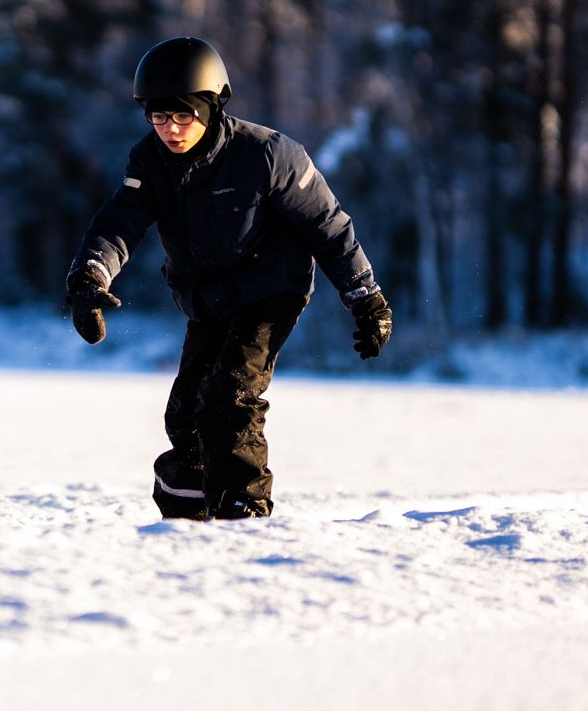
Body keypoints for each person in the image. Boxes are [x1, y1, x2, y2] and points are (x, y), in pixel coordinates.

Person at [64, 37, 392, 520]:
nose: (170, 130)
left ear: (211, 108)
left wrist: (366, 298)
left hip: (270, 292)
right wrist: (89, 277)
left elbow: (329, 228)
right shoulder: (151, 162)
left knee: (227, 398)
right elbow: (119, 223)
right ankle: (188, 517)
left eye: (182, 117)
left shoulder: (269, 156)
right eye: (158, 117)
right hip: (207, 299)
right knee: (184, 413)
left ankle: (243, 513)